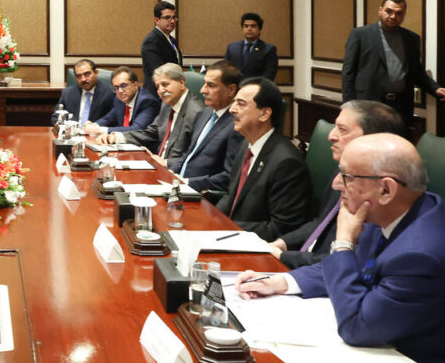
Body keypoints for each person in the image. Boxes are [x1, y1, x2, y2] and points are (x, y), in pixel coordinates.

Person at [236, 134, 445, 363]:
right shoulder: (393, 211)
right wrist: (281, 282)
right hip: (382, 355)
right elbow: (351, 267)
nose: (336, 184)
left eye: (347, 177)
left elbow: (356, 327)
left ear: (386, 189)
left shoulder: (423, 255)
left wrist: (343, 241)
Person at [269, 101, 405, 268]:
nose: (331, 136)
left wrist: (284, 257)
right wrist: (281, 244)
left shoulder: (379, 191)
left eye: (343, 130)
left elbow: (352, 261)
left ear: (371, 139)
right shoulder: (344, 169)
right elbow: (321, 222)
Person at [216, 77, 311, 241]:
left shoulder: (286, 162)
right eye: (234, 102)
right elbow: (231, 196)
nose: (232, 109)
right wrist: (211, 221)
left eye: (241, 104)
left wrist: (226, 229)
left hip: (255, 247)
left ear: (264, 114)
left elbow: (280, 229)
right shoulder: (246, 145)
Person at [341, 0, 445, 126]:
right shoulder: (360, 35)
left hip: (401, 104)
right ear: (380, 10)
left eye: (399, 13)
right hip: (368, 103)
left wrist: (435, 89)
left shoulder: (411, 38)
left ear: (404, 15)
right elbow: (348, 72)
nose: (393, 16)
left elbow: (416, 72)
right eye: (389, 11)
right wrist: (348, 106)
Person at [98, 63, 202, 170]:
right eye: (158, 86)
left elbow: (196, 155)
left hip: (176, 171)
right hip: (155, 163)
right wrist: (117, 137)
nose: (161, 91)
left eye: (165, 84)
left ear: (181, 83)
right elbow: (152, 132)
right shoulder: (167, 103)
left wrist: (166, 162)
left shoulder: (196, 112)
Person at [168, 60, 244, 192]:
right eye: (204, 84)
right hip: (178, 187)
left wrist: (187, 183)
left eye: (211, 85)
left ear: (231, 89)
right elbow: (189, 153)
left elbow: (229, 177)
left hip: (201, 194)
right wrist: (170, 174)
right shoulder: (206, 112)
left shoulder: (237, 124)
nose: (202, 90)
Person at [83, 67, 158, 136]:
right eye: (116, 87)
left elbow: (137, 129)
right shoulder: (119, 99)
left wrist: (100, 130)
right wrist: (94, 125)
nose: (120, 91)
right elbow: (109, 118)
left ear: (135, 84)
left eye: (124, 85)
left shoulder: (147, 101)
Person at [51, 59, 115, 125]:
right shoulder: (67, 93)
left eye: (87, 74)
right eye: (79, 76)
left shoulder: (110, 93)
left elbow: (114, 118)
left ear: (96, 73)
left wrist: (96, 126)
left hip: (97, 130)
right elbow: (56, 117)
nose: (83, 79)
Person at [140, 1, 182, 96]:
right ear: (156, 19)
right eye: (167, 17)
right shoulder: (151, 41)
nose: (172, 21)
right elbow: (159, 72)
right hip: (156, 95)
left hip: (170, 92)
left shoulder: (171, 40)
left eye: (174, 17)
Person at [224, 12, 278, 80]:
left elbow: (269, 74)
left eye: (253, 26)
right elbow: (226, 70)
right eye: (246, 26)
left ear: (259, 29)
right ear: (242, 28)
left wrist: (251, 85)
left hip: (256, 86)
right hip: (235, 85)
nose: (249, 29)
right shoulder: (232, 48)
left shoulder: (269, 49)